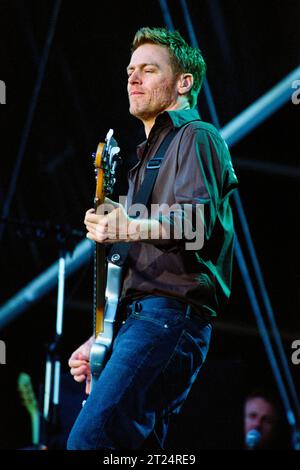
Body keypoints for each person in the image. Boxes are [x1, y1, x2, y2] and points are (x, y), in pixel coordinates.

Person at [67, 26, 238, 450]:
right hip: (141, 321)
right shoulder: (143, 163)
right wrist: (104, 337)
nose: (133, 78)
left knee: (90, 441)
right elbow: (135, 263)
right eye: (130, 70)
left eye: (148, 69)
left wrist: (129, 225)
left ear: (183, 83)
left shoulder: (197, 136)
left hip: (169, 316)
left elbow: (197, 224)